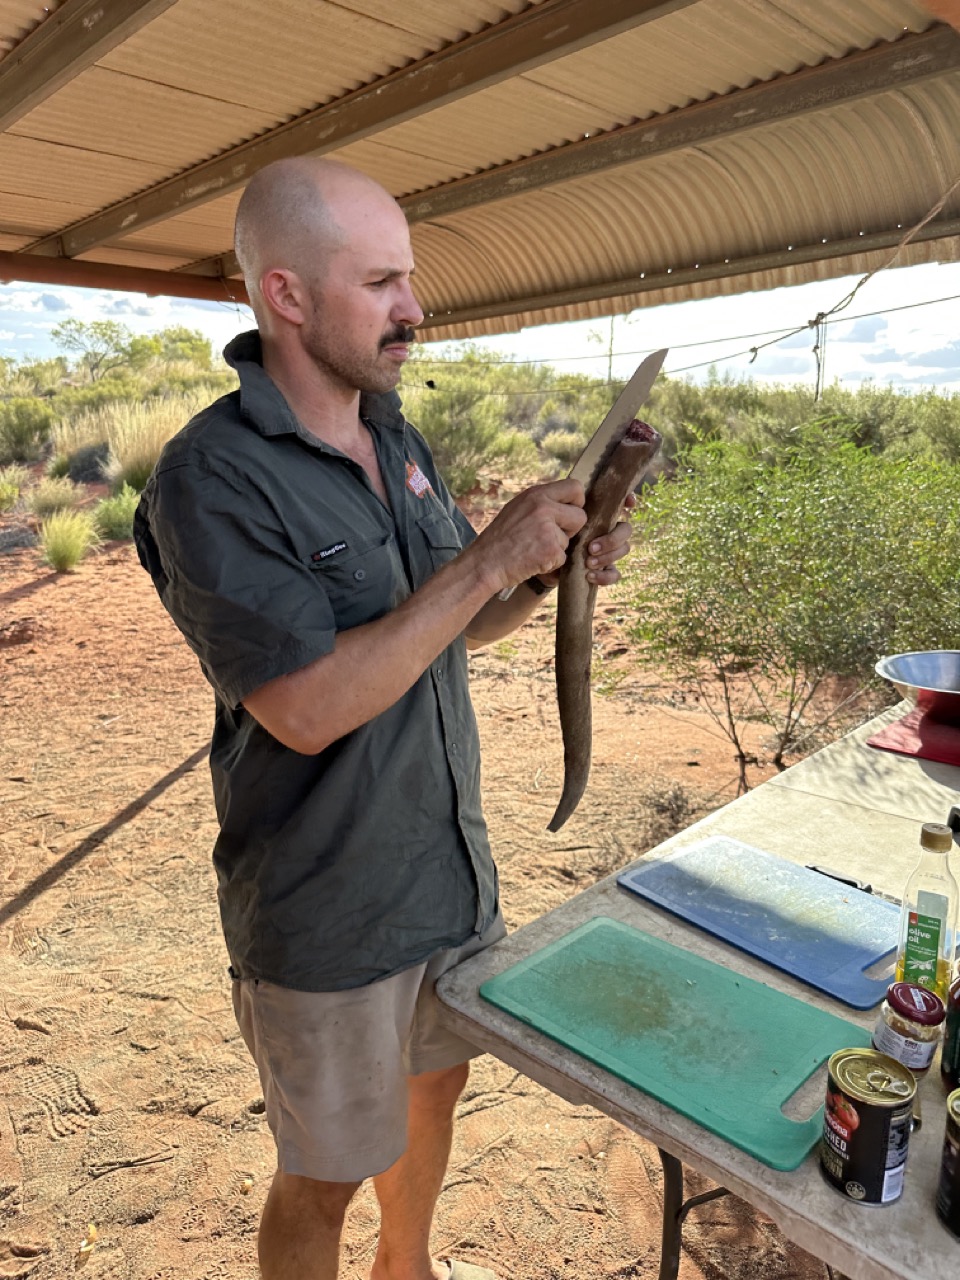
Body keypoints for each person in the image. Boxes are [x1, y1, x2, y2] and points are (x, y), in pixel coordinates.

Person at [134, 156, 633, 1280]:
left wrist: (545, 572)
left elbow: (455, 624)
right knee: (322, 1172)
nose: (415, 307)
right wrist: (485, 559)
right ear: (288, 296)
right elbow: (306, 707)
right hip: (328, 911)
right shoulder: (211, 478)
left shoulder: (394, 436)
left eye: (410, 278)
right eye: (383, 282)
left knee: (433, 1089)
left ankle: (405, 1266)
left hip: (442, 874)